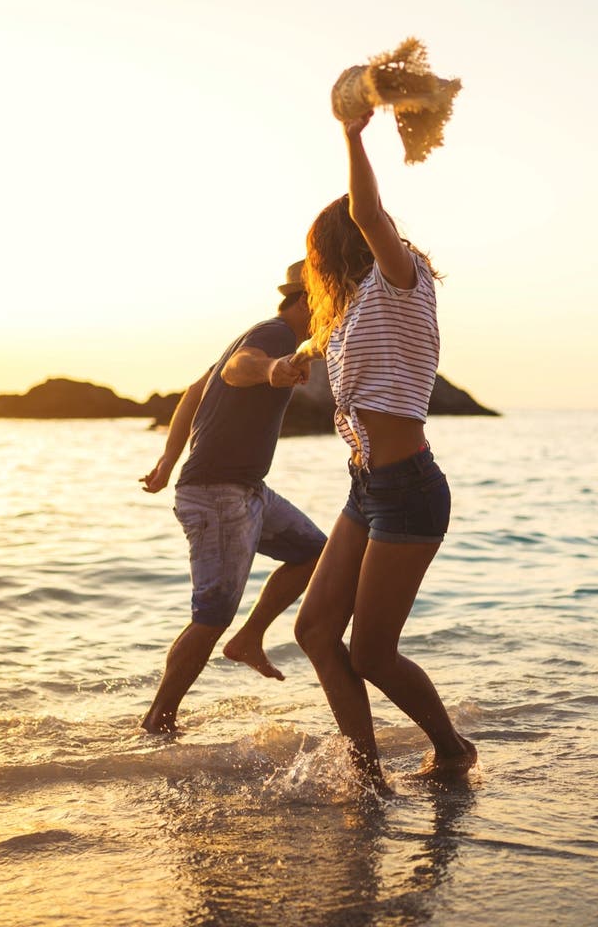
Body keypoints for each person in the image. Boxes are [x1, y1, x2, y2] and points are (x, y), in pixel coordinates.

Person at [291, 108, 477, 784]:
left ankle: (453, 749)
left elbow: (369, 214)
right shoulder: (354, 308)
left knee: (371, 651)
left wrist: (352, 134)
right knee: (314, 631)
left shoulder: (403, 281)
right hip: (366, 488)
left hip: (409, 489)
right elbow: (330, 344)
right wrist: (294, 359)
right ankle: (365, 775)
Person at [138, 264, 326, 734]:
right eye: (332, 301)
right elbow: (239, 370)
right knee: (212, 614)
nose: (337, 313)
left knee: (314, 552)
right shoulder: (275, 333)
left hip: (247, 489)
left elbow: (194, 392)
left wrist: (166, 460)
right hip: (217, 493)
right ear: (307, 301)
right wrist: (272, 368)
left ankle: (249, 638)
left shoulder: (265, 335)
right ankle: (158, 721)